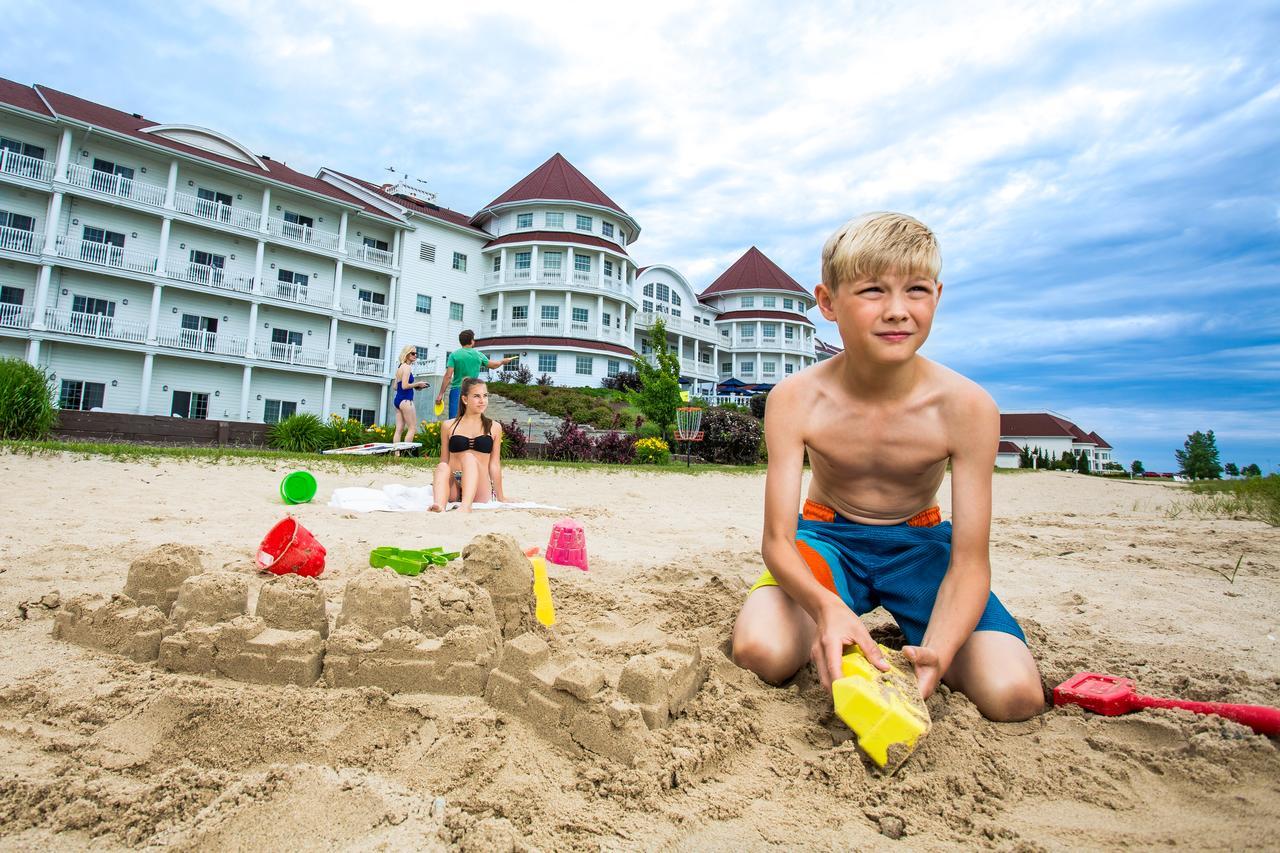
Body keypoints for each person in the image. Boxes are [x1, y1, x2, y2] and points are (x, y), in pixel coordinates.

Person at [730, 212, 1044, 722]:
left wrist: (938, 655)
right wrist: (826, 607)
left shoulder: (966, 407)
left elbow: (969, 562)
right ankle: (841, 611)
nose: (898, 311)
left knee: (1013, 694)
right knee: (760, 651)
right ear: (828, 302)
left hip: (922, 549)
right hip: (827, 541)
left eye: (916, 290)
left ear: (937, 297)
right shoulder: (796, 399)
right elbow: (778, 541)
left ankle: (915, 625)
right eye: (873, 290)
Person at [430, 377, 508, 513]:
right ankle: (439, 505)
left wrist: (501, 496)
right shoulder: (448, 426)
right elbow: (444, 460)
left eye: (485, 396)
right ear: (465, 399)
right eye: (477, 396)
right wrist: (439, 482)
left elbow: (494, 464)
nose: (482, 400)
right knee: (442, 467)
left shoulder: (494, 427)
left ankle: (466, 507)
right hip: (454, 484)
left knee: (469, 457)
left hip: (479, 486)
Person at [435, 329, 518, 418]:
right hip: (473, 391)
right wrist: (503, 361)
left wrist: (440, 394)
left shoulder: (454, 355)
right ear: (472, 341)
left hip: (457, 391)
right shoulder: (479, 355)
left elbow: (448, 376)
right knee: (472, 419)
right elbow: (493, 365)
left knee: (455, 420)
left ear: (461, 342)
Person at [391, 345, 429, 453]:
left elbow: (395, 387)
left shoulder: (400, 367)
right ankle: (405, 453)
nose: (415, 355)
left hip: (398, 400)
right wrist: (418, 383)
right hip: (406, 400)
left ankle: (396, 454)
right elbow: (404, 386)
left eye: (416, 353)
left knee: (399, 429)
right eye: (413, 353)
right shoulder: (407, 367)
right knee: (412, 428)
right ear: (406, 354)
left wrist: (416, 387)